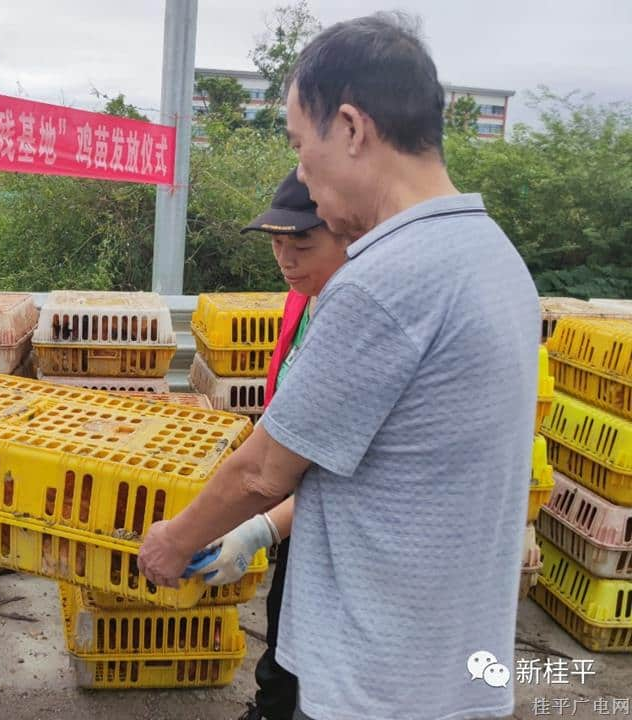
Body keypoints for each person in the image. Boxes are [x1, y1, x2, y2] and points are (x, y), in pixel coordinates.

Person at [139, 13, 539, 720]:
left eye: (300, 144)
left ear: (351, 129)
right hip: (452, 666)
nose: (300, 171)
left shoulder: (383, 281)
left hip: (380, 681)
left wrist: (172, 543)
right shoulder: (494, 256)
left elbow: (262, 470)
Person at [199, 168, 348, 720]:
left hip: (334, 517)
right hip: (298, 505)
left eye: (301, 243)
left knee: (314, 643)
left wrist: (260, 525)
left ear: (348, 233)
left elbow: (334, 468)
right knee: (286, 619)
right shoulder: (304, 298)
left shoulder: (354, 318)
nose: (285, 259)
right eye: (277, 244)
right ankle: (271, 706)